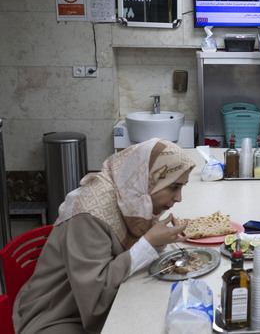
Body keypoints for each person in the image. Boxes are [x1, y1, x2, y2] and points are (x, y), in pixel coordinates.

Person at [13, 138, 196, 334]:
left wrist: (157, 242)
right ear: (150, 177)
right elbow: (95, 295)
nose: (179, 198)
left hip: (90, 305)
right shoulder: (90, 214)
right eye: (173, 187)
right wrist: (148, 243)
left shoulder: (132, 196)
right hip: (57, 315)